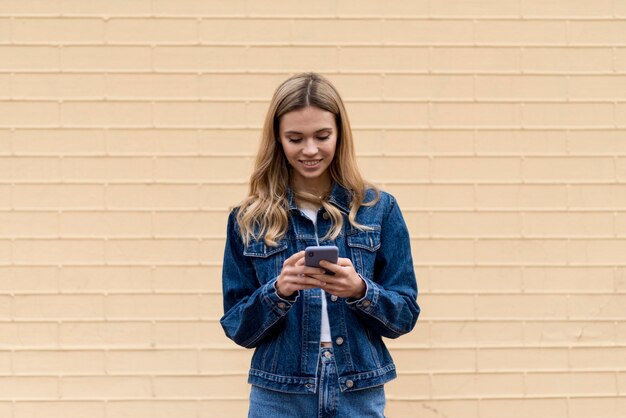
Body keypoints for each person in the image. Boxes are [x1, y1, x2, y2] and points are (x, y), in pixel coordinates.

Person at [220, 72, 420, 417]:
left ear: (340, 136)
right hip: (280, 394)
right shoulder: (248, 218)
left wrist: (360, 290)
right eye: (295, 138)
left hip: (357, 390)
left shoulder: (378, 209)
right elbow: (238, 327)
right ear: (278, 140)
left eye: (322, 136)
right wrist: (278, 291)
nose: (310, 150)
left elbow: (404, 316)